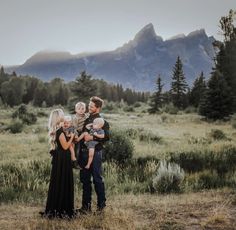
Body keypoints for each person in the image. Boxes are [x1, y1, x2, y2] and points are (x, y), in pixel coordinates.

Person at [40, 109, 76, 219]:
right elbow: (65, 146)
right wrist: (72, 137)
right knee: (63, 181)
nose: (64, 116)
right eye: (62, 114)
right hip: (62, 160)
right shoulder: (59, 131)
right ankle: (61, 209)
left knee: (59, 182)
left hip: (59, 159)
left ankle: (57, 207)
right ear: (58, 117)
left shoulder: (58, 130)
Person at [77, 96, 110, 214]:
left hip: (95, 153)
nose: (89, 107)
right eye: (89, 105)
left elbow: (107, 136)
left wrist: (93, 137)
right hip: (84, 153)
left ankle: (101, 207)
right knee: (85, 180)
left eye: (91, 106)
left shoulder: (102, 121)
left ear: (98, 108)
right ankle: (86, 207)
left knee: (97, 179)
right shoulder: (87, 118)